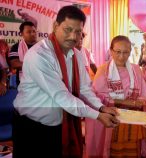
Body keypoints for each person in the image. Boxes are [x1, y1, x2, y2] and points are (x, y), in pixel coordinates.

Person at [12, 6, 119, 158]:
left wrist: (101, 108)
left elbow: (84, 88)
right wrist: (97, 116)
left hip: (59, 125)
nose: (73, 37)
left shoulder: (77, 54)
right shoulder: (39, 55)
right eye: (68, 29)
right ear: (55, 26)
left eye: (77, 32)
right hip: (31, 127)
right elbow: (63, 97)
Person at [85, 35, 146, 158]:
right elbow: (98, 97)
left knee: (132, 151)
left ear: (130, 52)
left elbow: (145, 95)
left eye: (126, 52)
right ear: (111, 51)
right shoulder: (103, 69)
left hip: (132, 120)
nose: (121, 56)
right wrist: (128, 102)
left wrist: (138, 103)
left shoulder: (136, 70)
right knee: (113, 151)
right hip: (112, 119)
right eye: (118, 52)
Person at [8, 21, 37, 86]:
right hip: (24, 84)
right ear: (22, 34)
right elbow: (14, 63)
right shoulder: (16, 47)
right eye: (29, 32)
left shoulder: (43, 47)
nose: (32, 34)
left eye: (34, 31)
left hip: (42, 82)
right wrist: (35, 64)